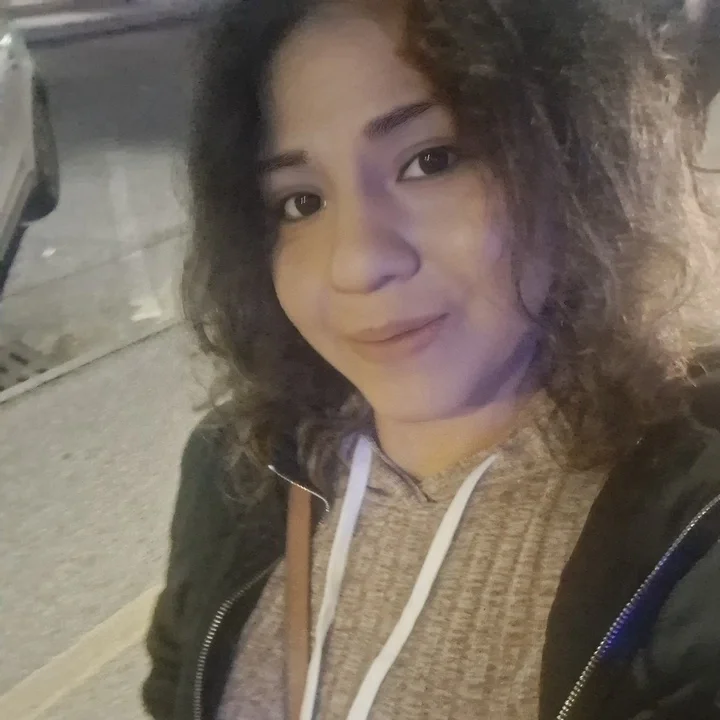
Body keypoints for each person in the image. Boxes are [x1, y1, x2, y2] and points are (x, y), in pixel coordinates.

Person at [142, 0, 720, 718]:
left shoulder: (693, 533)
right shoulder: (239, 471)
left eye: (430, 161)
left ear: (572, 159)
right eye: (300, 202)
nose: (358, 263)